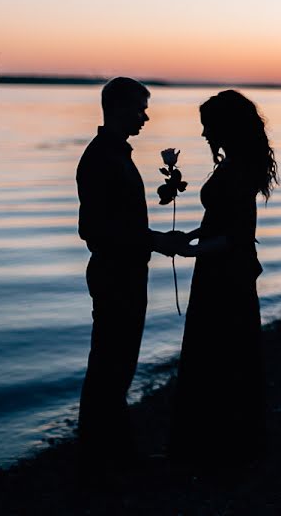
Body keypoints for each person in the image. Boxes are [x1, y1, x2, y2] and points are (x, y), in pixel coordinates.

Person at [75, 77, 183, 478]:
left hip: (125, 274)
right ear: (118, 108)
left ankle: (109, 457)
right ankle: (102, 463)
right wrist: (157, 241)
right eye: (140, 108)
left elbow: (119, 223)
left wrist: (160, 239)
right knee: (110, 369)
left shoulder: (115, 154)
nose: (146, 116)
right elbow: (95, 228)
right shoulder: (102, 157)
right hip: (114, 276)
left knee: (115, 368)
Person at [169, 90, 278, 470]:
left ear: (224, 127)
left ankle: (222, 449)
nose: (202, 135)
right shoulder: (234, 165)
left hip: (226, 278)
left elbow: (235, 237)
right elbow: (222, 222)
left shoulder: (238, 170)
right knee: (223, 355)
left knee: (221, 356)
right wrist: (194, 236)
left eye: (207, 127)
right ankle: (222, 444)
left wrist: (189, 251)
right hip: (221, 270)